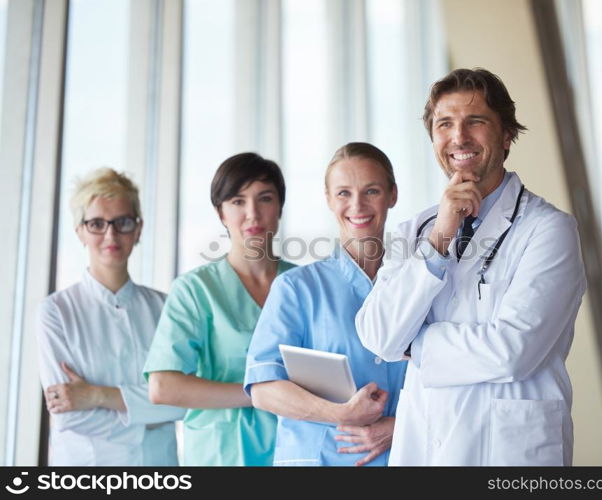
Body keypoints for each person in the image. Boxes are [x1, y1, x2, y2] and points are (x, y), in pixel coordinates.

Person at [355, 68, 587, 466]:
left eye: (475, 122)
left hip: (509, 452)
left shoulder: (549, 230)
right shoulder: (417, 231)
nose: (458, 137)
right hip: (426, 444)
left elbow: (513, 351)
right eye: (445, 124)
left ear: (507, 134)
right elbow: (378, 335)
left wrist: (415, 342)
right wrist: (439, 240)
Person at [244, 142, 407, 466]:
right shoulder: (296, 289)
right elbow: (263, 389)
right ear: (329, 199)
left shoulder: (416, 287)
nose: (357, 205)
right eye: (344, 193)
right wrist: (341, 414)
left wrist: (401, 426)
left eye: (371, 191)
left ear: (392, 195)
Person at [144, 153, 295, 466]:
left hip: (295, 446)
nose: (252, 214)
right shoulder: (196, 290)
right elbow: (162, 387)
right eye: (238, 202)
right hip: (222, 455)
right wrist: (260, 394)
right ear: (221, 213)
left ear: (279, 206)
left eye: (264, 199)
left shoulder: (303, 285)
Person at [36, 168, 183, 466]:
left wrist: (97, 396)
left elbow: (183, 403)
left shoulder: (167, 308)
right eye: (97, 224)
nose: (111, 234)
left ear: (138, 229)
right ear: (80, 231)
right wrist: (149, 414)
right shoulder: (56, 311)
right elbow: (68, 414)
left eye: (123, 222)